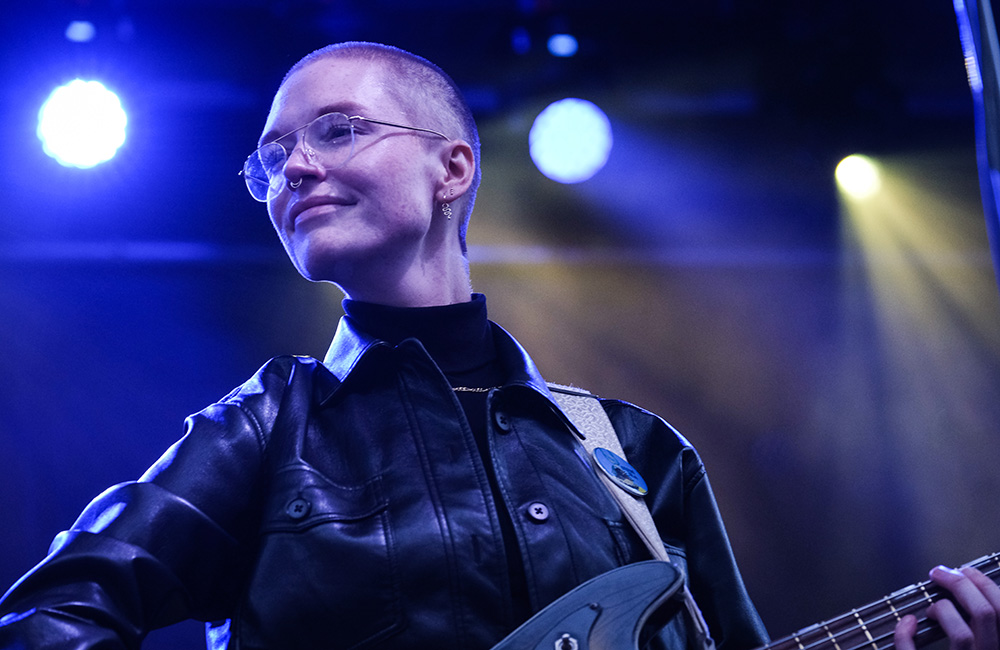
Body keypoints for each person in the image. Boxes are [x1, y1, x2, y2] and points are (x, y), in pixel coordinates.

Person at [0, 41, 996, 650]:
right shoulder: (268, 422)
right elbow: (47, 619)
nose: (294, 165)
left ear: (452, 166)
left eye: (337, 129)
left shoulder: (636, 454)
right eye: (270, 155)